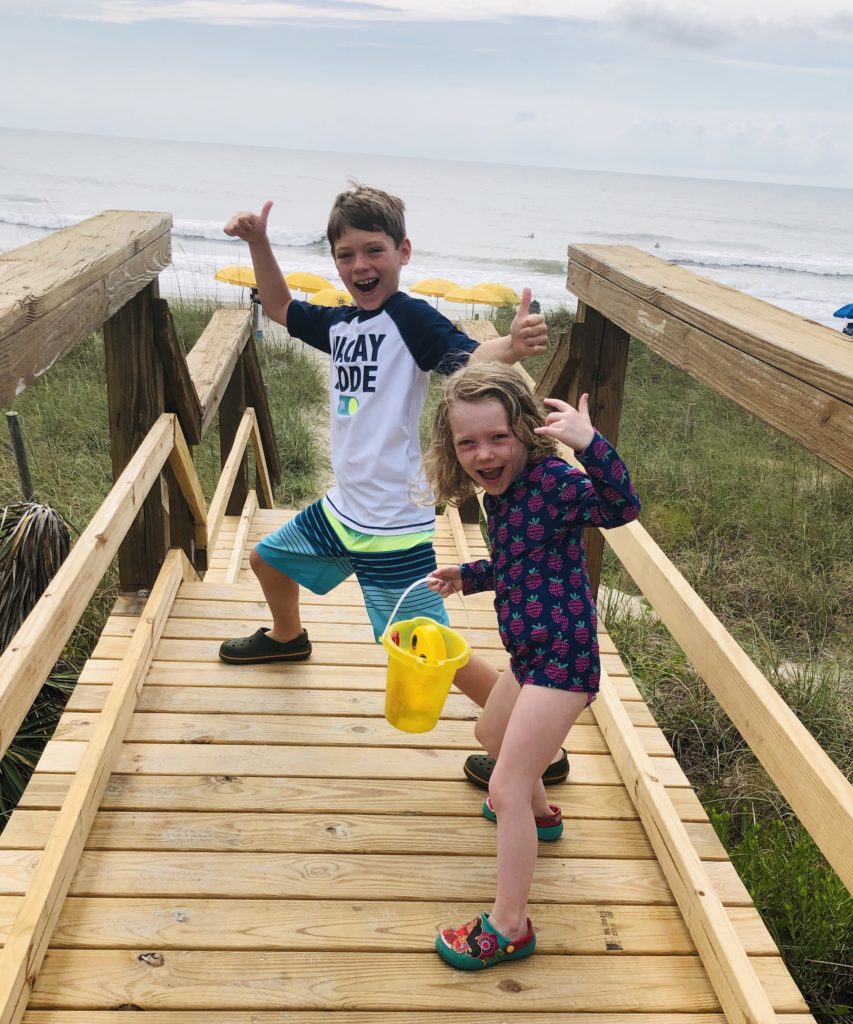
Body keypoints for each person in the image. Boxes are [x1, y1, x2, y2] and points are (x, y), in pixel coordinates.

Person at [217, 183, 571, 781]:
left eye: (374, 250)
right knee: (266, 561)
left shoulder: (407, 318)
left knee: (430, 652)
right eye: (346, 254)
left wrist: (510, 346)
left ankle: (539, 748)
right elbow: (278, 307)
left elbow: (467, 354)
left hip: (392, 528)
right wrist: (260, 243)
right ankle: (287, 637)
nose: (360, 265)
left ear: (403, 252)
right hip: (342, 510)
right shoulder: (342, 326)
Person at [422, 362, 640, 969]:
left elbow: (622, 507)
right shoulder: (503, 496)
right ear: (452, 446)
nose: (484, 454)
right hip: (529, 651)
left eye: (498, 437)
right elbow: (517, 560)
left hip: (563, 658)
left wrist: (589, 445)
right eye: (468, 442)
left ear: (525, 429)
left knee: (504, 784)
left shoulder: (551, 482)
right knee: (490, 734)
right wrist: (468, 576)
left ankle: (510, 926)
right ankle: (542, 817)